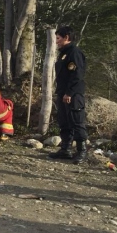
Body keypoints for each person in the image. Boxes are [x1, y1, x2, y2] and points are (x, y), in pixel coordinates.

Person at [49, 25, 88, 163]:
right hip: (62, 93)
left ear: (66, 38)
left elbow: (77, 75)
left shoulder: (74, 53)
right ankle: (66, 149)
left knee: (76, 121)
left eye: (58, 38)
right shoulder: (64, 53)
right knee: (64, 121)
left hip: (73, 94)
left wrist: (69, 93)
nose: (57, 41)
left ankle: (82, 151)